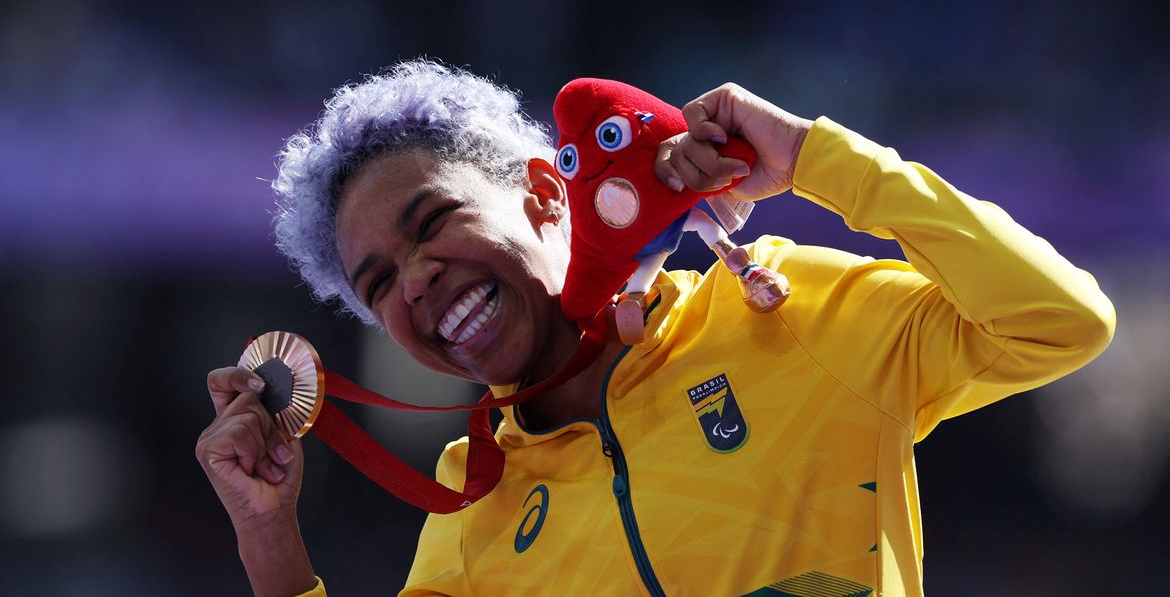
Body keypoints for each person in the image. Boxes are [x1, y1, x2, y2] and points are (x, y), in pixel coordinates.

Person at [196, 60, 1115, 596]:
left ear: (548, 194)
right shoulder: (470, 510)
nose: (420, 279)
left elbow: (1058, 323)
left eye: (432, 223)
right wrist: (269, 538)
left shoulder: (787, 313)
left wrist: (815, 160)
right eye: (381, 283)